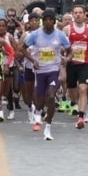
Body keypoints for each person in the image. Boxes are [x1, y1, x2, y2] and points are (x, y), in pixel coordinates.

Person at [24, 9, 70, 141]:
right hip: (40, 71)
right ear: (42, 22)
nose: (48, 22)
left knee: (50, 95)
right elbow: (22, 49)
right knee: (40, 99)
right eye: (46, 20)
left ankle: (48, 127)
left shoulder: (60, 35)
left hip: (54, 70)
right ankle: (38, 111)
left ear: (54, 21)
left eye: (51, 20)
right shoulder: (35, 35)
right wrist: (33, 60)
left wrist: (66, 58)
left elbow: (69, 50)